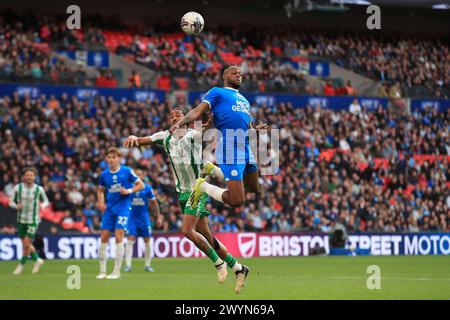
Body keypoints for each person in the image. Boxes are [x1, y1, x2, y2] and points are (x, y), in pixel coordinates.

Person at [123, 108, 249, 293]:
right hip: (182, 193)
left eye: (179, 115)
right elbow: (144, 141)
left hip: (197, 188)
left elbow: (204, 133)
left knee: (187, 230)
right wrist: (134, 138)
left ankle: (218, 263)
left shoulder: (193, 135)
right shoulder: (165, 137)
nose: (175, 118)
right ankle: (238, 268)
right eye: (172, 116)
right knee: (207, 236)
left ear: (186, 119)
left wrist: (210, 124)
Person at [96, 147, 145, 280]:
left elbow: (141, 185)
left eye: (114, 157)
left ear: (119, 158)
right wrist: (101, 202)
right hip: (109, 209)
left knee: (119, 235)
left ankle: (116, 271)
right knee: (104, 237)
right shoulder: (104, 175)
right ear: (107, 159)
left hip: (123, 208)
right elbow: (100, 190)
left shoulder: (127, 171)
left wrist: (128, 191)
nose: (112, 160)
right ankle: (102, 271)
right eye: (109, 157)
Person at [9, 167, 49, 275]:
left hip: (33, 220)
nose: (29, 177)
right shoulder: (18, 188)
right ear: (24, 177)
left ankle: (21, 265)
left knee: (26, 243)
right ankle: (37, 260)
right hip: (21, 219)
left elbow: (46, 201)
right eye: (27, 175)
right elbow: (10, 202)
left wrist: (43, 205)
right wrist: (16, 206)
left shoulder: (39, 189)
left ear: (34, 177)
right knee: (25, 244)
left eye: (31, 175)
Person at [124, 168, 162, 272]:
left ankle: (148, 265)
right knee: (130, 239)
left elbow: (154, 203)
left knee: (147, 240)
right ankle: (128, 265)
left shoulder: (147, 188)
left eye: (140, 174)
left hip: (143, 218)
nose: (138, 176)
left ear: (142, 176)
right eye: (136, 174)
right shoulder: (129, 188)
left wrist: (158, 216)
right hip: (131, 217)